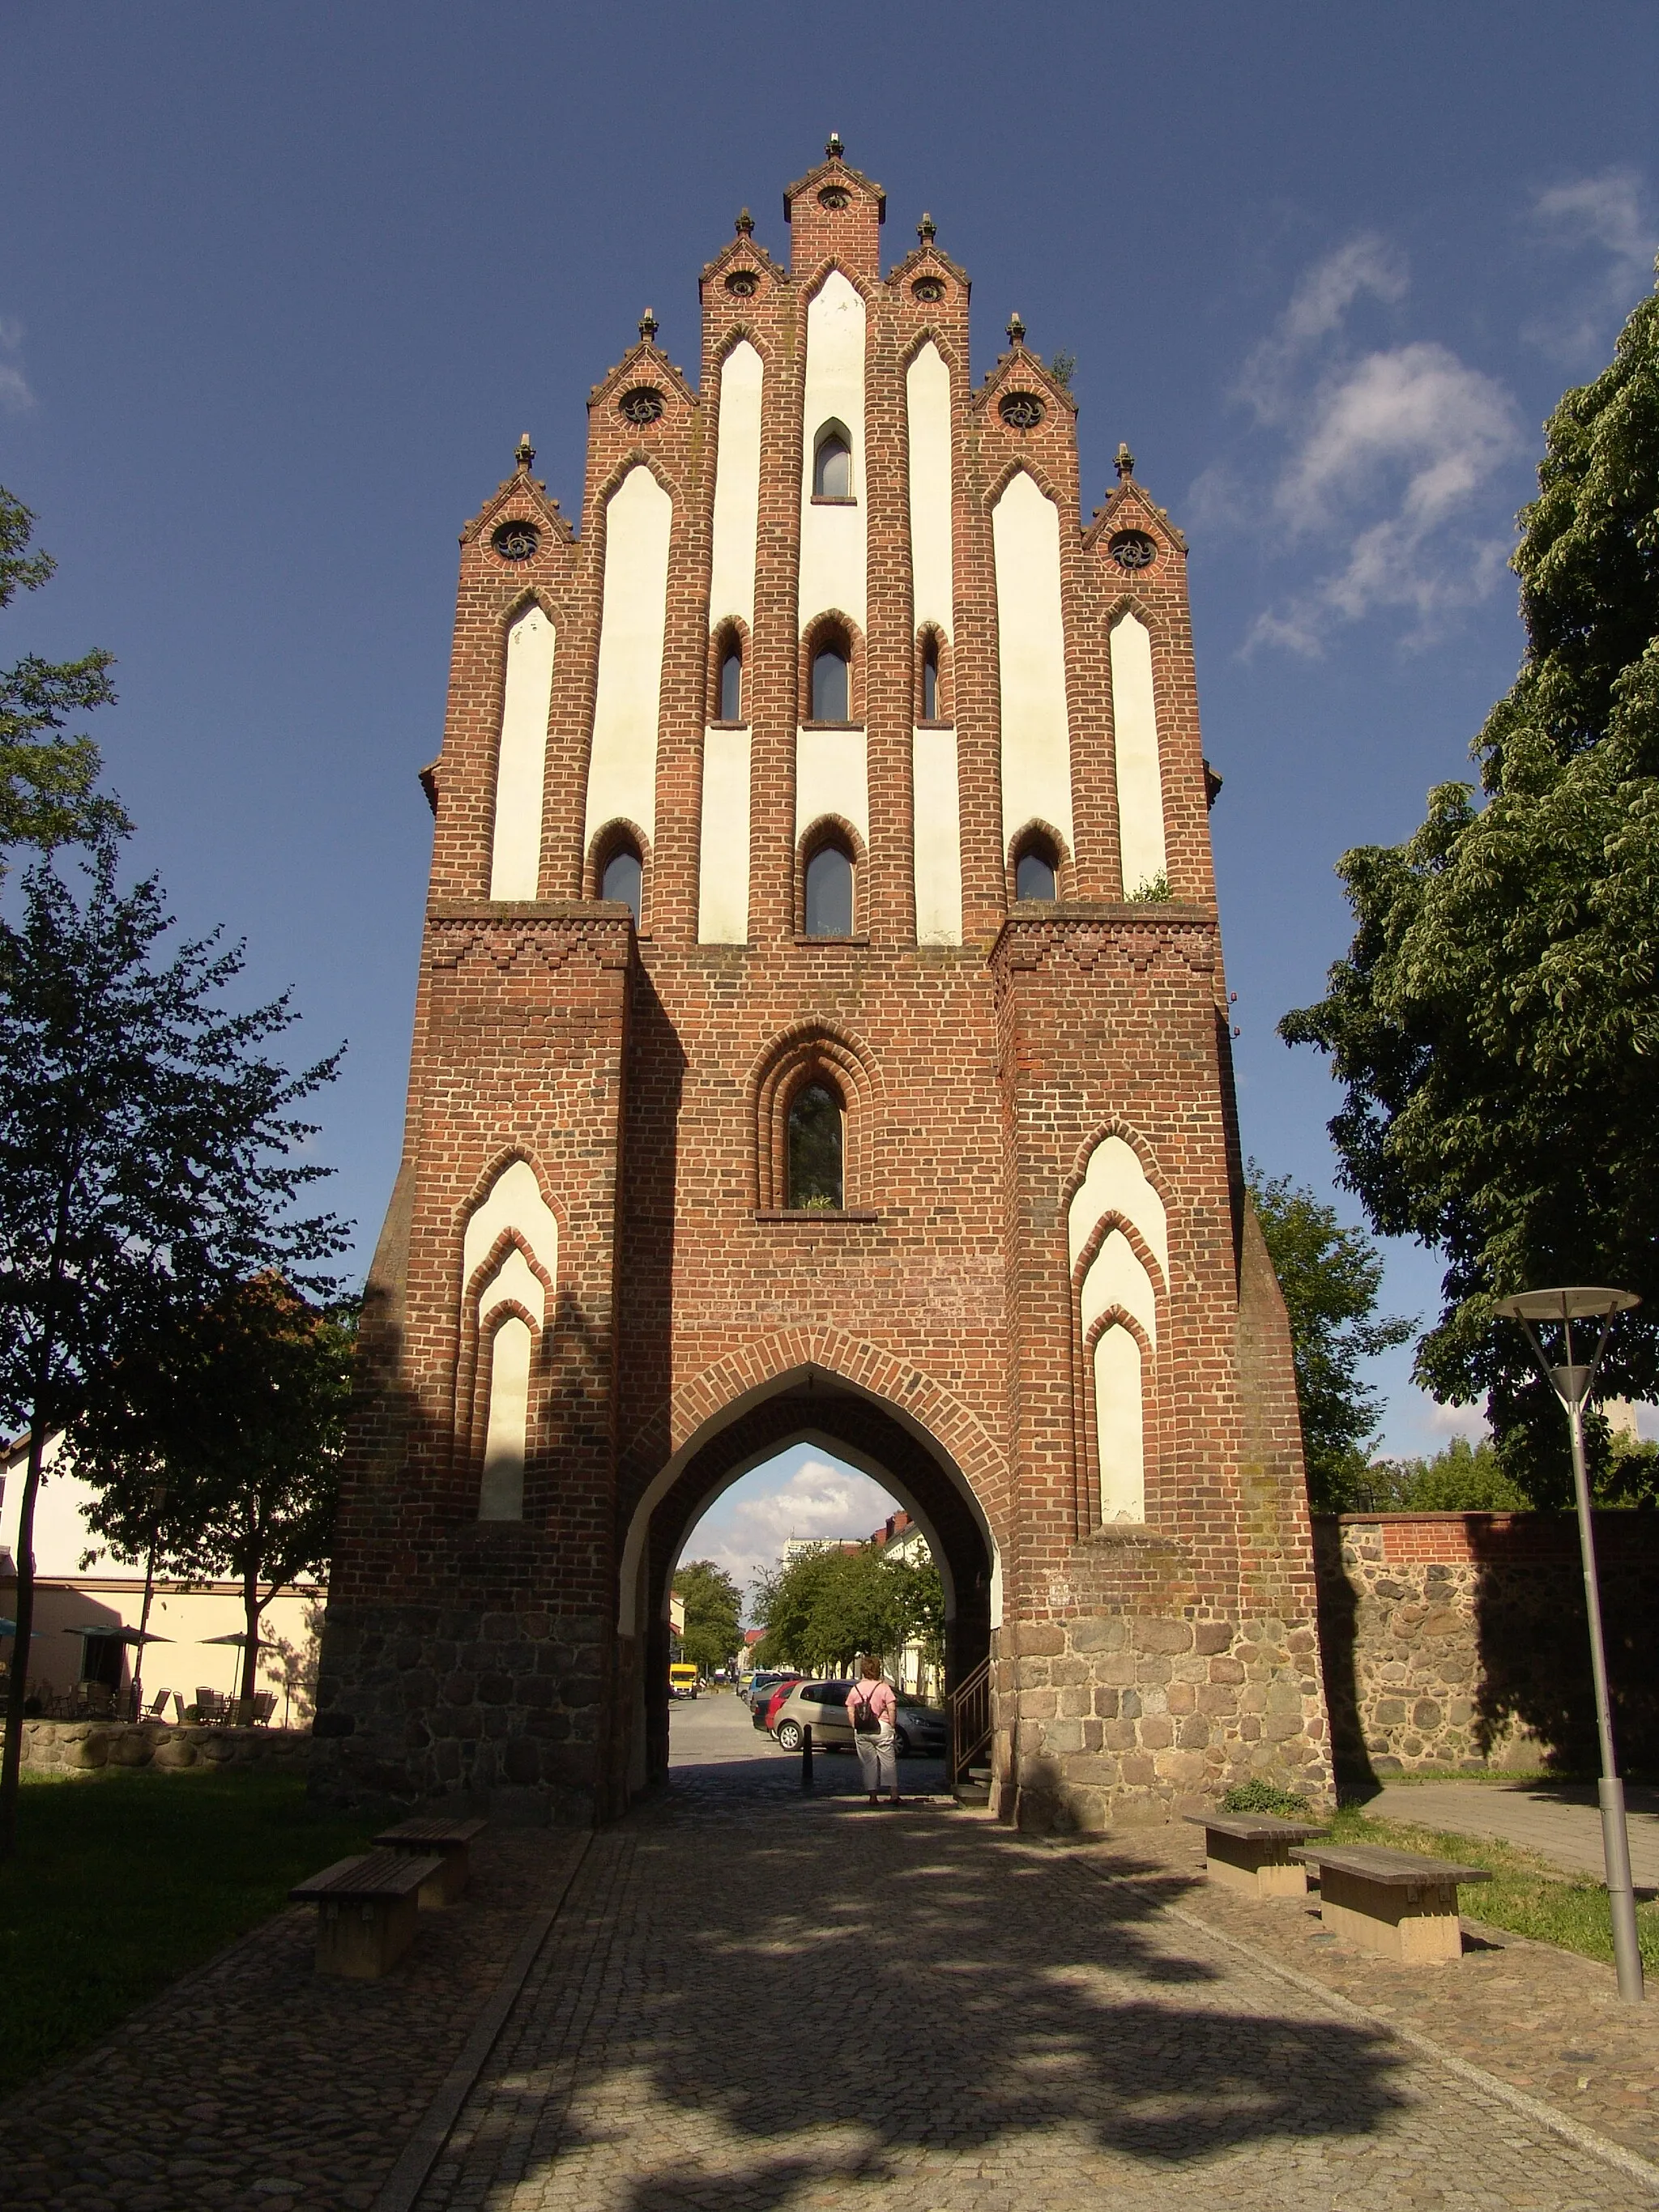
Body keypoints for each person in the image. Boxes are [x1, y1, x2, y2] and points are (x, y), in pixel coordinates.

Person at [848, 1655, 899, 1805]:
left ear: (863, 1670)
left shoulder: (855, 1689)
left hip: (862, 1729)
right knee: (888, 1761)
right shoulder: (883, 1687)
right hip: (882, 1726)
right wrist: (892, 1725)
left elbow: (850, 1710)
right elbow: (892, 1708)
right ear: (878, 1670)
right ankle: (894, 1795)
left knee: (868, 1763)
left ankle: (872, 1796)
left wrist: (854, 1725)